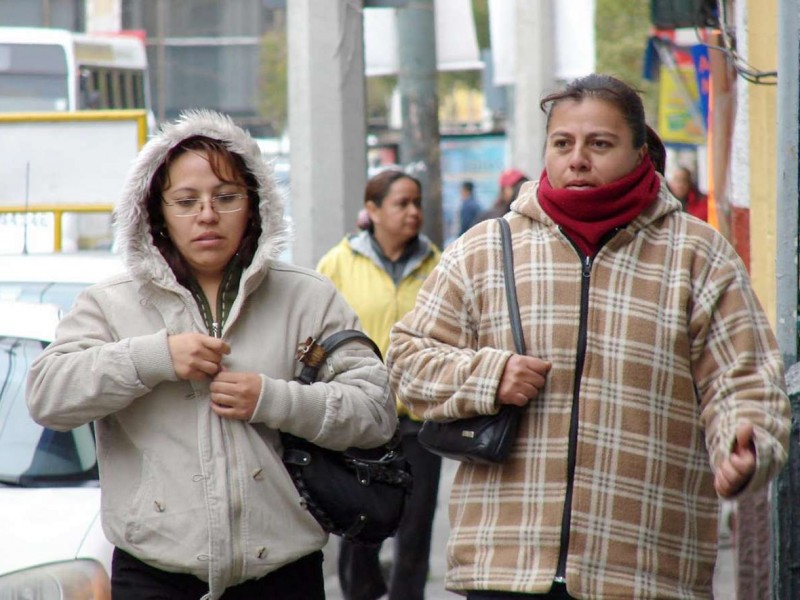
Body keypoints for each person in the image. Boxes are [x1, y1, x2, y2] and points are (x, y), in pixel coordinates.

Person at [387, 74, 790, 599]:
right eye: (563, 144)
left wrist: (747, 443)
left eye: (599, 144)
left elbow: (744, 380)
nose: (578, 159)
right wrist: (490, 374)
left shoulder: (698, 255)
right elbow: (406, 362)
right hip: (504, 566)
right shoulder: (486, 248)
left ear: (640, 151)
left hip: (647, 571)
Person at [26, 109, 397, 600]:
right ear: (155, 210)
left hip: (284, 575)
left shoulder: (308, 296)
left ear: (255, 204)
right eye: (186, 201)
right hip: (153, 574)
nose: (207, 215)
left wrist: (275, 399)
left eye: (226, 197)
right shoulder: (109, 302)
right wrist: (152, 359)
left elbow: (375, 410)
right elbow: (47, 395)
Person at [317, 169, 442, 600]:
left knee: (416, 532)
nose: (413, 212)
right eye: (401, 203)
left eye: (417, 203)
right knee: (359, 531)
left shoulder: (437, 263)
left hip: (418, 424)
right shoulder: (337, 264)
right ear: (372, 211)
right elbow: (314, 337)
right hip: (358, 420)